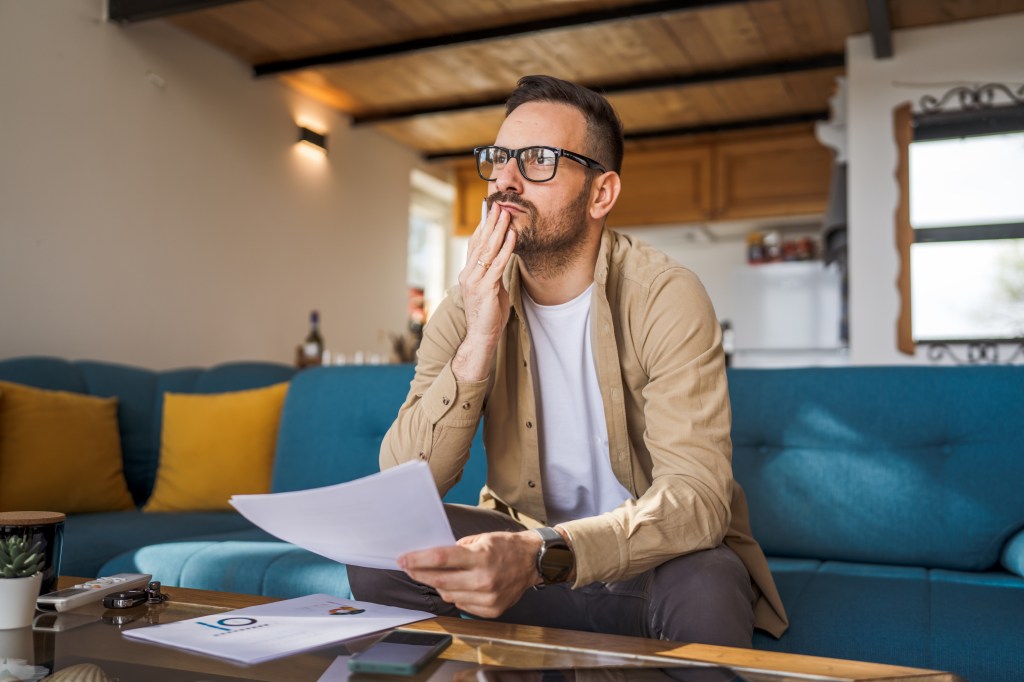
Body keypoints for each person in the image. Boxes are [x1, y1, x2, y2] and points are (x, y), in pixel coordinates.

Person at [348, 75, 788, 646]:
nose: (505, 179)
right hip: (522, 556)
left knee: (709, 582)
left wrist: (542, 555)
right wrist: (480, 336)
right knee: (384, 544)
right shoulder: (468, 300)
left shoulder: (665, 295)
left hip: (644, 565)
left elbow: (697, 500)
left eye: (537, 160)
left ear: (601, 194)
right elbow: (404, 480)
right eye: (500, 158)